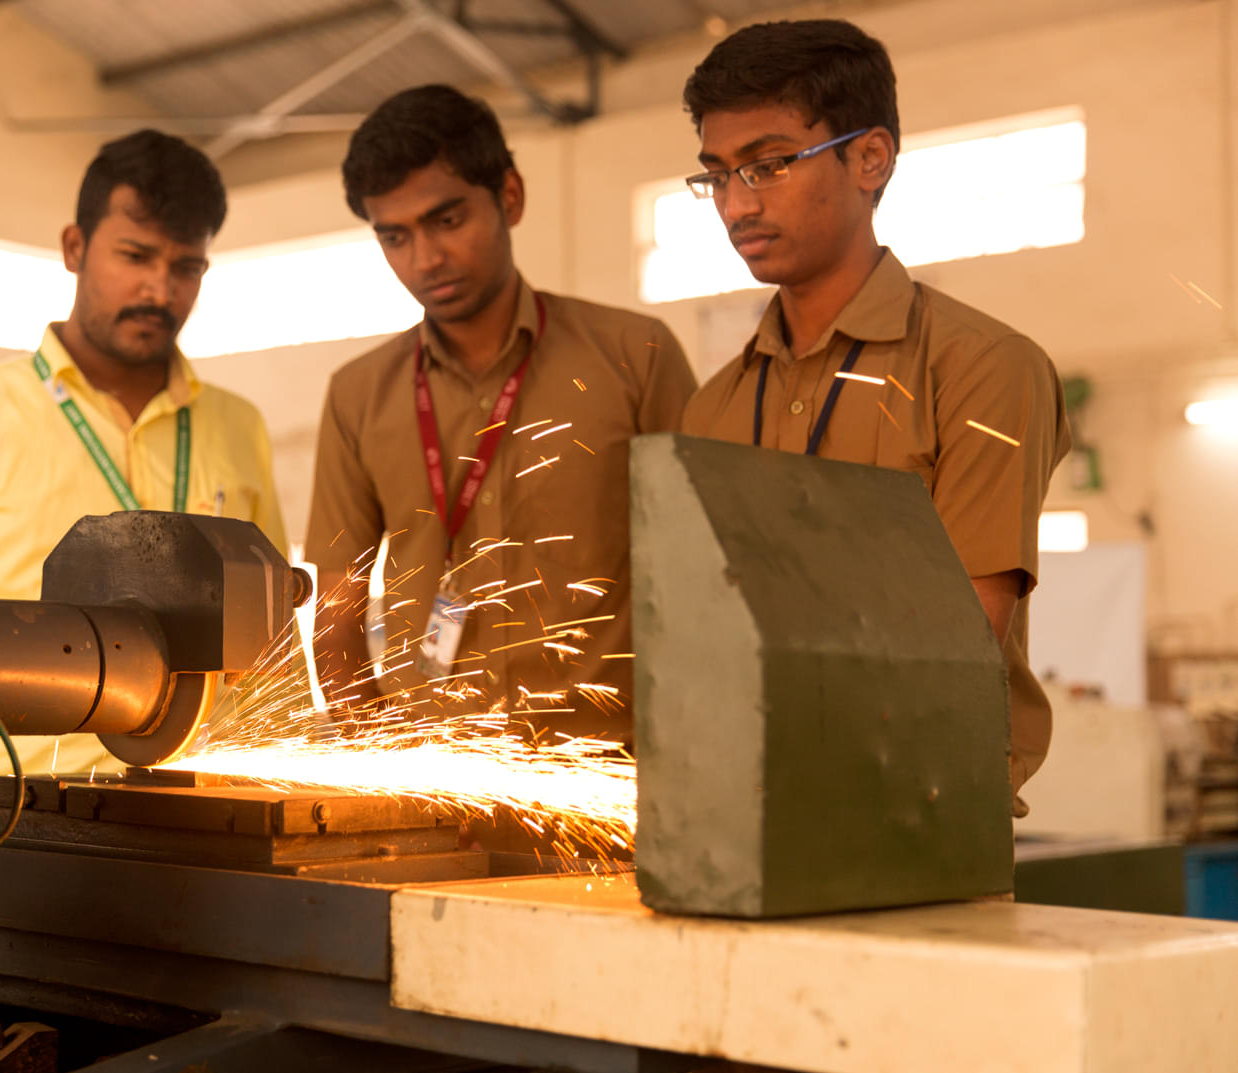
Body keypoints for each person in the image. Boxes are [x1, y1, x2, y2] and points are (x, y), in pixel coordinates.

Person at [676, 19, 1070, 810]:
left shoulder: (979, 368)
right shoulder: (712, 407)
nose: (735, 205)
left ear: (870, 157)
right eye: (717, 176)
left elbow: (954, 640)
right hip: (742, 800)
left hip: (918, 810)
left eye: (769, 165)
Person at [306, 85, 698, 748]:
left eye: (447, 220)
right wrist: (368, 759)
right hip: (427, 788)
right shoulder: (358, 394)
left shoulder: (637, 357)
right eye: (394, 236)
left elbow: (700, 571)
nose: (425, 258)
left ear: (509, 197)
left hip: (610, 776)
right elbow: (336, 609)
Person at [0, 129, 286, 773]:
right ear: (74, 248)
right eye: (135, 256)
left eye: (185, 267)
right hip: (12, 811)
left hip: (202, 807)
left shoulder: (236, 425)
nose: (159, 291)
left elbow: (271, 638)